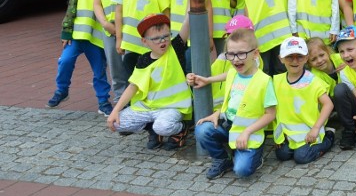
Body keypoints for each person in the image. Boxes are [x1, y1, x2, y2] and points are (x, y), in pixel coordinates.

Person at [189, 28, 276, 179]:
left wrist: (247, 131)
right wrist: (208, 82)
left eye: (241, 54)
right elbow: (228, 78)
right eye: (231, 54)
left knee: (242, 171)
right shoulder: (233, 73)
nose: (236, 59)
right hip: (229, 127)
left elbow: (271, 114)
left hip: (250, 134)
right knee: (202, 130)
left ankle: (254, 156)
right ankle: (223, 159)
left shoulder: (264, 81)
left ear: (255, 53)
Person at [106, 13, 191, 151]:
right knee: (116, 124)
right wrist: (115, 111)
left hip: (173, 107)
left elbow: (187, 23)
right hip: (148, 107)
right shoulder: (143, 60)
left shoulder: (175, 49)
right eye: (156, 38)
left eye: (166, 36)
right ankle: (152, 129)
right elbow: (133, 86)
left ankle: (181, 128)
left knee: (162, 126)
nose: (162, 41)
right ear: (145, 41)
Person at [48, 0, 113, 115]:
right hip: (78, 34)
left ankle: (103, 102)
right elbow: (72, 6)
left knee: (99, 71)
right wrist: (66, 31)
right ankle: (62, 90)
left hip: (99, 37)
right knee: (65, 61)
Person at [272, 37, 335, 164]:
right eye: (290, 57)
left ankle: (328, 137)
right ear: (281, 59)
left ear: (306, 58)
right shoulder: (276, 81)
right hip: (288, 134)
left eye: (299, 56)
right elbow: (274, 110)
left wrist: (316, 128)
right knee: (282, 155)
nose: (295, 61)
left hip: (310, 131)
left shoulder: (313, 81)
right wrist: (278, 137)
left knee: (301, 157)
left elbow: (328, 104)